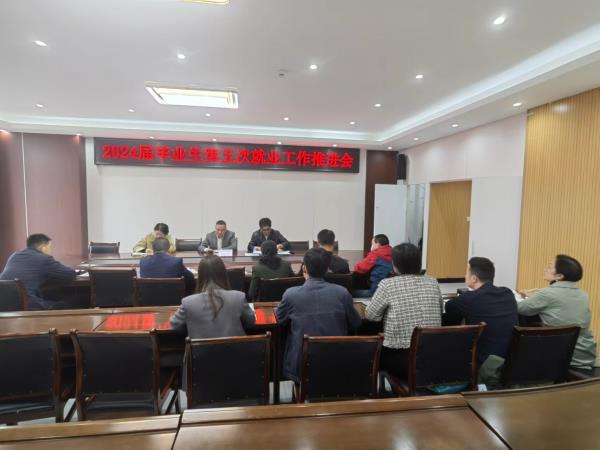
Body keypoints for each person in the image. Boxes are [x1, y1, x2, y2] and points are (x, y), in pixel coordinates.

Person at [275, 248, 362, 382]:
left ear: (304, 268)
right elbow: (355, 323)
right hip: (336, 362)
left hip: (301, 366)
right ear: (327, 269)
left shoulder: (291, 294)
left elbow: (279, 320)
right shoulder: (342, 293)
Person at [365, 243, 442, 379]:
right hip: (432, 357)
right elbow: (440, 310)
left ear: (395, 264)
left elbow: (371, 316)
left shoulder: (388, 284)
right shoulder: (433, 282)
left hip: (400, 359)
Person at [445, 257, 518, 385]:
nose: (465, 275)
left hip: (484, 365)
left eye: (466, 272)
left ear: (474, 278)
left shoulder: (470, 299)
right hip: (511, 362)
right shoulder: (508, 293)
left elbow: (449, 306)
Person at [518, 255, 597, 370]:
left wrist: (518, 296)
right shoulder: (582, 294)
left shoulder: (547, 293)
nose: (545, 269)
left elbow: (521, 309)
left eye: (549, 267)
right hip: (586, 354)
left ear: (559, 276)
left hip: (563, 355)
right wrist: (534, 297)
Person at [169, 255, 255, 338]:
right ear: (224, 274)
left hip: (200, 348)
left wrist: (192, 326)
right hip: (237, 348)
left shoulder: (187, 302)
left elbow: (174, 325)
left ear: (200, 276)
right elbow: (250, 323)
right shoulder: (239, 297)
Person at [0, 234, 76, 310]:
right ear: (43, 247)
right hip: (26, 305)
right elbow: (70, 275)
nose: (50, 250)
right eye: (50, 247)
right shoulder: (44, 258)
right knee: (67, 304)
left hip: (4, 304)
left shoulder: (14, 255)